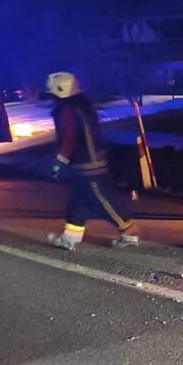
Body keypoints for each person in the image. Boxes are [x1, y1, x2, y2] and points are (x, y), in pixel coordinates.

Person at [44, 72, 139, 251]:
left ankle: (130, 232)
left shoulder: (67, 111)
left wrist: (58, 164)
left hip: (87, 166)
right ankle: (69, 238)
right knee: (78, 201)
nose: (51, 99)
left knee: (103, 200)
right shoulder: (81, 106)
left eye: (53, 95)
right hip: (89, 162)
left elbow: (69, 140)